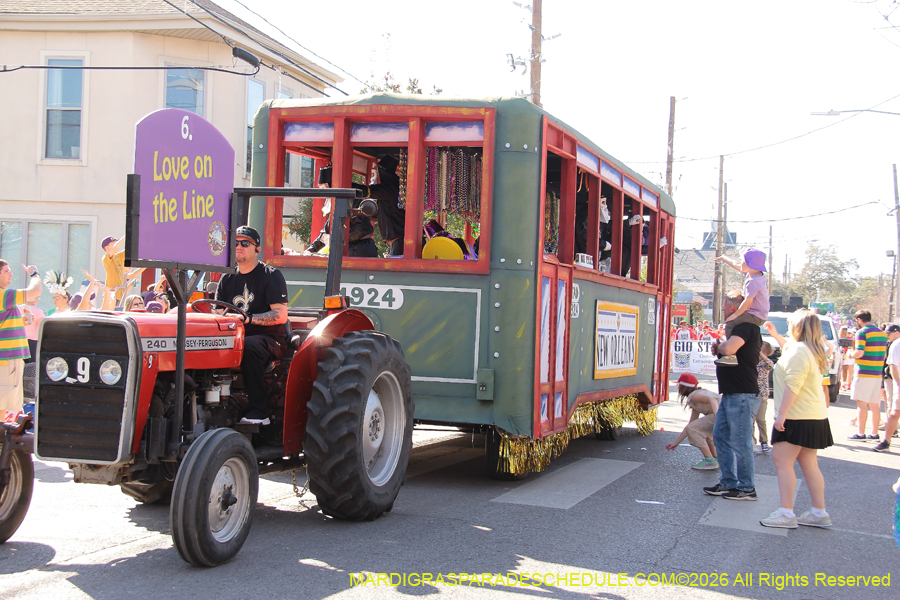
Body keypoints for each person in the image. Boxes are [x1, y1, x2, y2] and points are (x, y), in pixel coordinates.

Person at [760, 309, 834, 528]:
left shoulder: (799, 351)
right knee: (809, 463)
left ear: (797, 327)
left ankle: (786, 513)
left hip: (796, 415)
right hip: (814, 415)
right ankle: (819, 512)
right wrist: (775, 334)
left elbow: (794, 383)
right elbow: (789, 349)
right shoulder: (812, 349)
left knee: (783, 462)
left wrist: (781, 414)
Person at [216, 225, 288, 425]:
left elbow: (280, 315)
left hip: (270, 338)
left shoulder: (271, 275)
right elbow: (218, 312)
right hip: (234, 335)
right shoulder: (227, 277)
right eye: (235, 242)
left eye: (245, 243)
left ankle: (259, 411)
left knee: (248, 346)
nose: (239, 246)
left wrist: (248, 319)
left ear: (257, 248)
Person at [703, 291, 762, 501]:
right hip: (731, 392)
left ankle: (747, 487)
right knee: (720, 437)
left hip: (742, 393)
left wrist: (720, 347)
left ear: (735, 308)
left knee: (740, 441)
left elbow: (729, 348)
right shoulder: (739, 328)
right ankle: (729, 482)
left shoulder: (746, 327)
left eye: (726, 306)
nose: (724, 310)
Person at [0, 260, 42, 422]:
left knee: (7, 406)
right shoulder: (3, 294)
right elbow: (35, 290)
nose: (11, 274)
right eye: (6, 271)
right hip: (7, 359)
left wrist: (22, 320)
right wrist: (34, 274)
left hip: (9, 359)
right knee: (5, 405)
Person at [712, 249, 769, 367]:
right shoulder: (753, 274)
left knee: (730, 324)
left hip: (756, 315)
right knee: (732, 322)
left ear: (750, 265)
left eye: (743, 262)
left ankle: (731, 355)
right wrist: (724, 257)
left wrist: (735, 315)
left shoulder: (753, 281)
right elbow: (736, 265)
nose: (740, 264)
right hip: (757, 313)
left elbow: (748, 301)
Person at [846, 310, 887, 441]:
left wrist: (850, 354)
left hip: (864, 371)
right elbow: (884, 354)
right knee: (874, 404)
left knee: (861, 404)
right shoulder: (882, 334)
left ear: (859, 320)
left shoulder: (862, 332)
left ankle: (861, 433)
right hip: (877, 372)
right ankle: (874, 433)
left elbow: (859, 352)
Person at [665, 373, 720, 470]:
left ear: (683, 387)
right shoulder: (696, 399)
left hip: (722, 414)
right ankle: (716, 458)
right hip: (725, 413)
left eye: (679, 386)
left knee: (694, 428)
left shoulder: (695, 396)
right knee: (700, 428)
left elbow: (712, 399)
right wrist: (676, 442)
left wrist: (717, 417)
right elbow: (690, 425)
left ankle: (710, 460)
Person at [874, 324, 900, 452]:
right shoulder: (897, 344)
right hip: (898, 385)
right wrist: (898, 385)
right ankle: (886, 441)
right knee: (895, 413)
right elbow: (893, 366)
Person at [100, 235, 143, 302]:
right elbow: (115, 248)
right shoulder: (106, 258)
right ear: (107, 247)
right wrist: (127, 234)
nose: (116, 245)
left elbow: (131, 249)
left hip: (120, 296)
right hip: (111, 295)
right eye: (113, 243)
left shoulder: (118, 257)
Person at [754, 341, 776, 454]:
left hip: (762, 395)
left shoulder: (765, 364)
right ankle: (752, 442)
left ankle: (764, 441)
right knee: (751, 419)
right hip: (751, 394)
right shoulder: (752, 361)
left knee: (760, 419)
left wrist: (761, 354)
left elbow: (771, 365)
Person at [839, 325, 854, 391]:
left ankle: (846, 384)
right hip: (839, 355)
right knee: (842, 371)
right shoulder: (838, 338)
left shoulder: (849, 339)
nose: (844, 331)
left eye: (845, 330)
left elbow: (853, 346)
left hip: (847, 356)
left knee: (848, 371)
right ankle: (842, 383)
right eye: (843, 330)